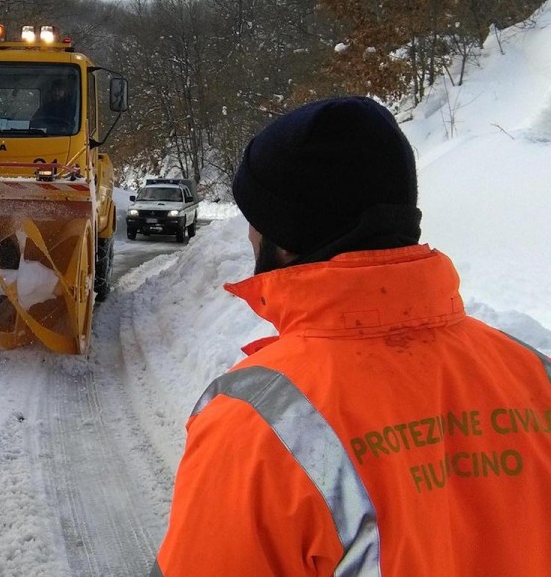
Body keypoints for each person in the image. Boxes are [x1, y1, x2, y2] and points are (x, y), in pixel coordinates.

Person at [153, 96, 551, 576]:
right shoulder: (535, 376)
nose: (251, 238)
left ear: (286, 238)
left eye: (256, 221)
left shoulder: (258, 427)